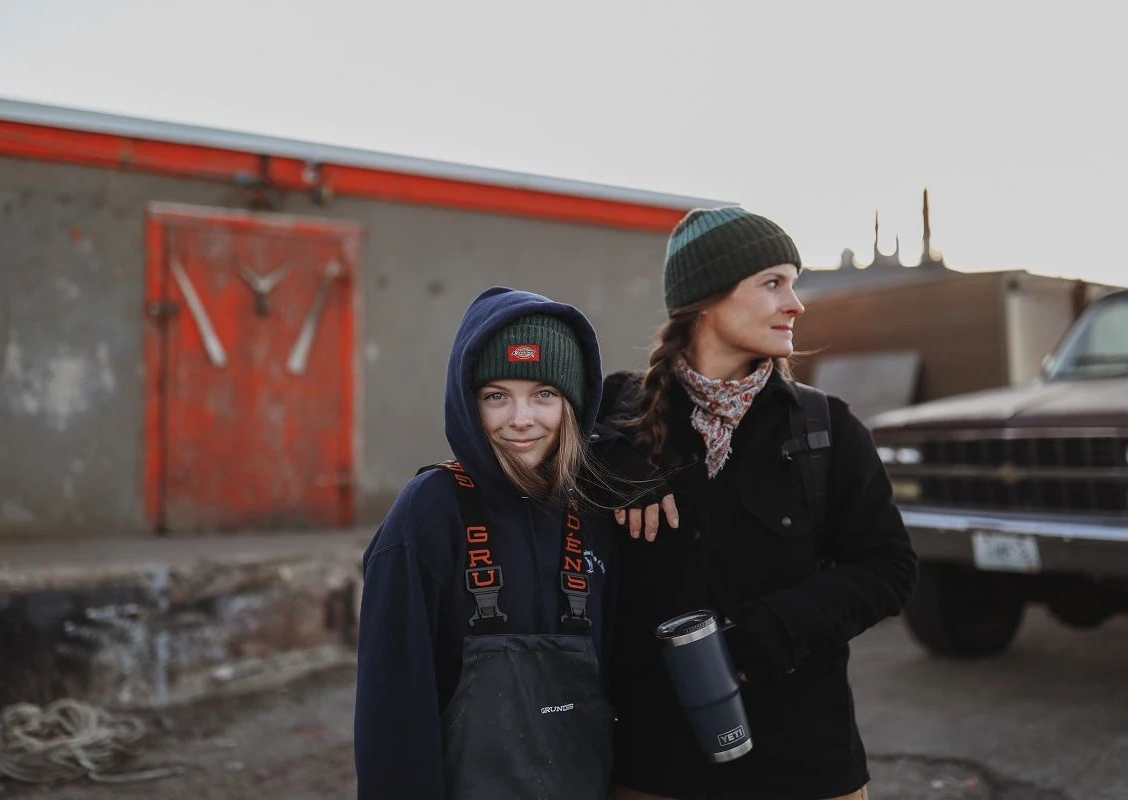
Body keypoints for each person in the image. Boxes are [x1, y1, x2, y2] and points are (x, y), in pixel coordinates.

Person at [598, 207, 918, 800]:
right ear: (703, 299)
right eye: (773, 283)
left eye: (793, 282)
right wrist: (612, 457)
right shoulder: (614, 420)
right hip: (656, 766)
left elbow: (889, 570)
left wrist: (768, 631)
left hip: (804, 764)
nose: (795, 303)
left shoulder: (827, 429)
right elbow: (526, 453)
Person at [354, 287, 616, 800]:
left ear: (574, 404)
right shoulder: (429, 511)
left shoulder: (598, 515)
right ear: (467, 402)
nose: (521, 419)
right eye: (496, 396)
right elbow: (392, 715)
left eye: (545, 394)